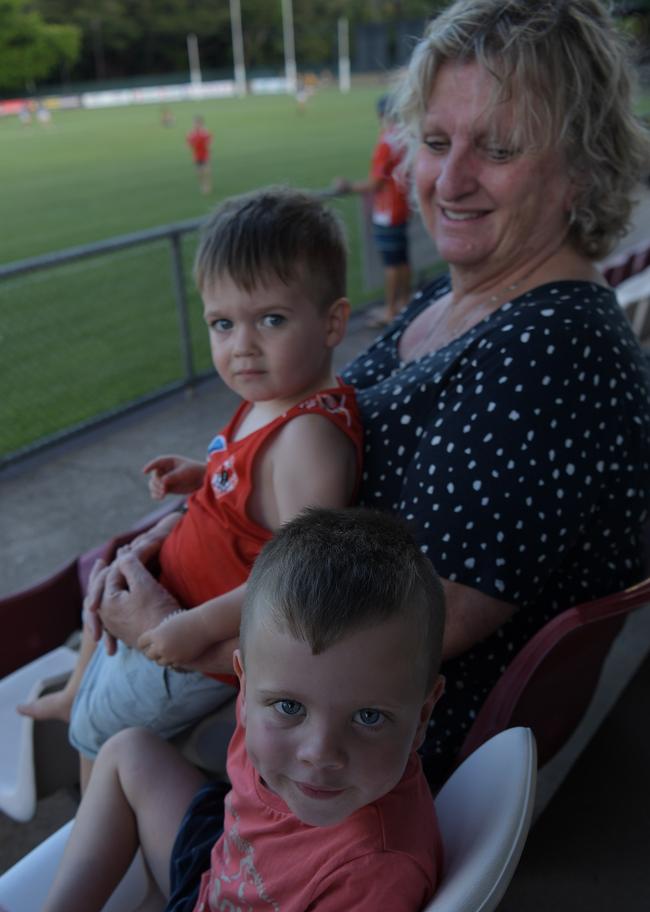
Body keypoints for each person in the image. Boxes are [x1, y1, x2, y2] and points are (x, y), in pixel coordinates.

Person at [69, 0, 650, 795]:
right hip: (283, 659)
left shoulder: (552, 352)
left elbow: (390, 640)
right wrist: (182, 531)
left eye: (499, 148)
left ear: (581, 168)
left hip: (353, 763)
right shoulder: (449, 303)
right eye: (436, 143)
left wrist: (171, 635)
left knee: (105, 733)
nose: (450, 179)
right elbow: (298, 444)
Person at [4, 507, 446, 912]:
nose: (319, 753)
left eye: (368, 717)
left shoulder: (375, 872)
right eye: (289, 707)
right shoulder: (260, 715)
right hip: (216, 880)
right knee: (128, 751)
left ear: (424, 714)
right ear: (244, 683)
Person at [19, 187, 362, 790]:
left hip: (191, 642)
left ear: (333, 321)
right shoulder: (271, 399)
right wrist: (203, 473)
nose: (241, 346)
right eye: (222, 324)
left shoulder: (310, 439)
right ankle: (73, 694)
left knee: (98, 734)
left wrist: (196, 628)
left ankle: (96, 837)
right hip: (173, 602)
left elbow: (294, 579)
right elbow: (257, 486)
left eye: (271, 320)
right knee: (101, 598)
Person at [334, 94, 412, 324]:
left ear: (381, 115)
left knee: (391, 262)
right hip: (403, 206)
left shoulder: (386, 143)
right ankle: (404, 302)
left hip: (388, 211)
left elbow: (375, 183)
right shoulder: (405, 136)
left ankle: (390, 310)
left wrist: (348, 186)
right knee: (402, 258)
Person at [186, 115, 213, 194]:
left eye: (198, 123)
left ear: (201, 123)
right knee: (199, 172)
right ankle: (202, 185)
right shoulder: (191, 133)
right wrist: (191, 144)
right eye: (195, 123)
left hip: (205, 154)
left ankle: (207, 186)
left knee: (207, 171)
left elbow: (209, 141)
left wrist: (208, 146)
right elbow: (189, 144)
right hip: (197, 155)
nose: (196, 124)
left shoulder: (205, 132)